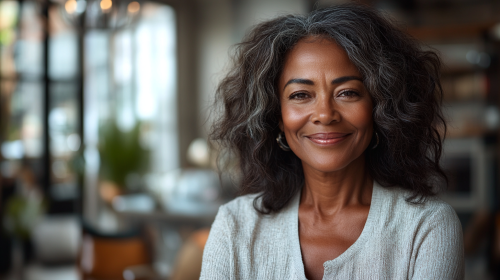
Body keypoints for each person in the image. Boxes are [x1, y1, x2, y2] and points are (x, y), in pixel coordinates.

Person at [201, 4, 464, 280]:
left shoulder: (426, 228)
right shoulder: (236, 226)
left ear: (381, 107)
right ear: (276, 115)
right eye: (301, 95)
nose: (325, 114)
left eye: (347, 92)